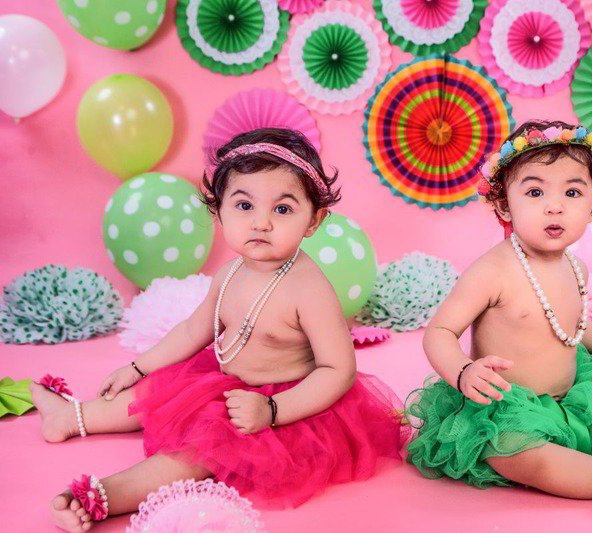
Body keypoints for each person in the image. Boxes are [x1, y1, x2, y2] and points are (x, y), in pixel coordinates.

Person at [31, 128, 409, 532]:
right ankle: (70, 416)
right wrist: (138, 367)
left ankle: (102, 496)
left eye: (283, 209)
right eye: (244, 205)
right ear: (219, 211)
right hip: (220, 380)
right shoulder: (230, 273)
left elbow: (339, 370)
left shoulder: (309, 289)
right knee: (152, 394)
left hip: (281, 404)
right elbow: (193, 330)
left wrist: (273, 410)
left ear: (313, 220)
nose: (261, 222)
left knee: (200, 453)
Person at [405, 120, 592, 520]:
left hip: (572, 397)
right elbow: (439, 331)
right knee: (517, 454)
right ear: (504, 205)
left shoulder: (576, 268)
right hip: (504, 407)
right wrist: (463, 371)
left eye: (572, 192)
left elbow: (576, 331)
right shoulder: (492, 271)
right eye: (535, 192)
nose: (554, 206)